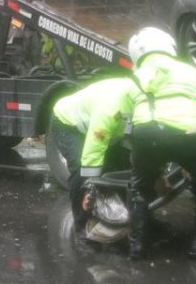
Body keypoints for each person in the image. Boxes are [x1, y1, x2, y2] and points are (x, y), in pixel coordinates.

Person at [125, 26, 196, 261]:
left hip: (147, 133)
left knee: (139, 188)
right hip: (189, 133)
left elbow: (129, 111)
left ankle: (136, 247)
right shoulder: (191, 71)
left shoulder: (135, 75)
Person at [50, 76, 139, 240]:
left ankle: (127, 218)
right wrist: (89, 191)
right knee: (81, 169)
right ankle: (81, 224)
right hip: (69, 123)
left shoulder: (141, 100)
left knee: (122, 167)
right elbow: (93, 153)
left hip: (108, 127)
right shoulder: (110, 107)